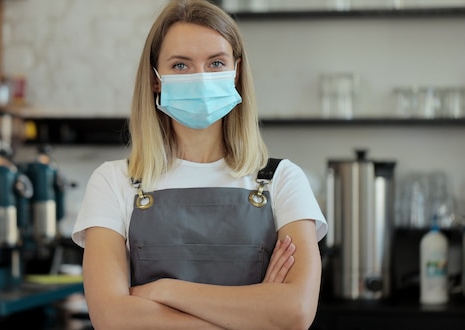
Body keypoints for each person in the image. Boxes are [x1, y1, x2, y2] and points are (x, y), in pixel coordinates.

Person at [71, 0, 328, 328]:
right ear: (155, 79)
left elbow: (295, 312)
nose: (201, 78)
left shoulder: (282, 179)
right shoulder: (113, 181)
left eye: (216, 63)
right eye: (180, 65)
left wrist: (165, 290)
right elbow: (113, 318)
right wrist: (255, 313)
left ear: (236, 73)